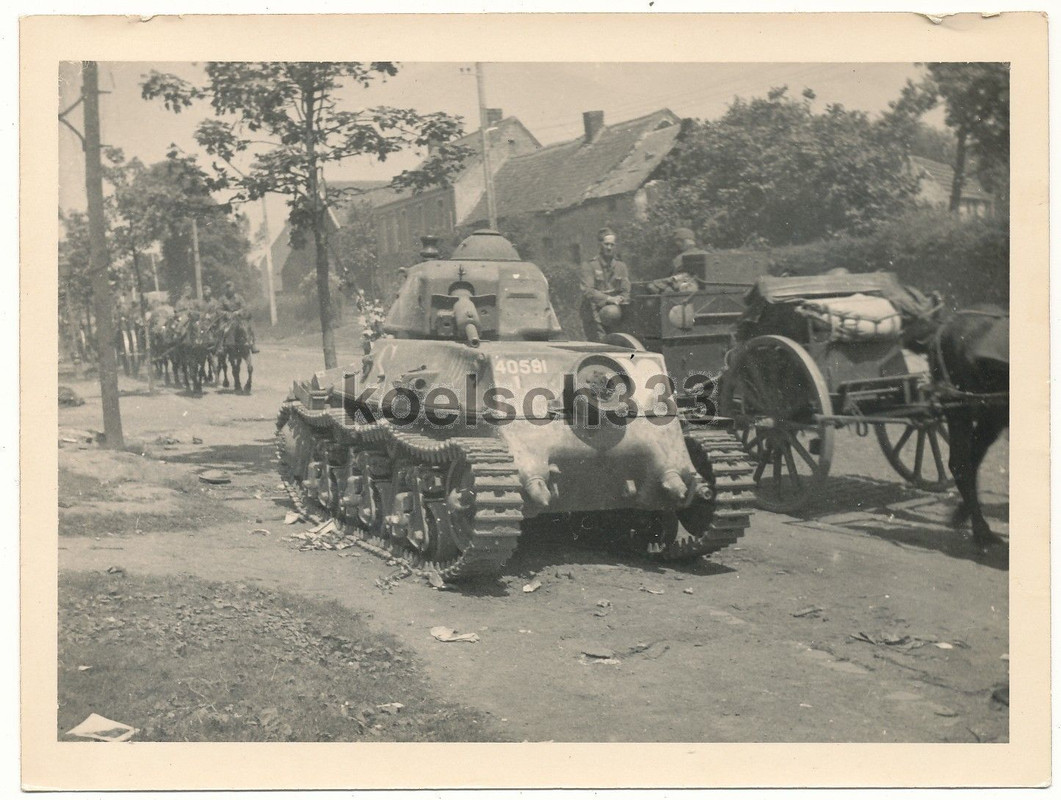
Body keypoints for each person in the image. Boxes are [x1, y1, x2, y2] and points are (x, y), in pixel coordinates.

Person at [579, 227, 631, 341]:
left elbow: (626, 290)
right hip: (594, 313)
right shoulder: (589, 265)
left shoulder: (621, 266)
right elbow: (588, 291)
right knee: (599, 344)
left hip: (615, 313)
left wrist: (621, 298)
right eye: (606, 244)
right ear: (600, 245)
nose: (609, 248)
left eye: (612, 245)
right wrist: (609, 299)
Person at [219, 280, 258, 352]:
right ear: (225, 289)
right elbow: (219, 310)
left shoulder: (239, 298)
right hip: (227, 319)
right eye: (227, 287)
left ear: (233, 288)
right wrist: (226, 313)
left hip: (238, 318)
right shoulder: (222, 299)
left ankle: (252, 344)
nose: (229, 289)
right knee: (222, 330)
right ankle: (220, 346)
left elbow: (244, 307)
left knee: (247, 327)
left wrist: (238, 312)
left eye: (230, 287)